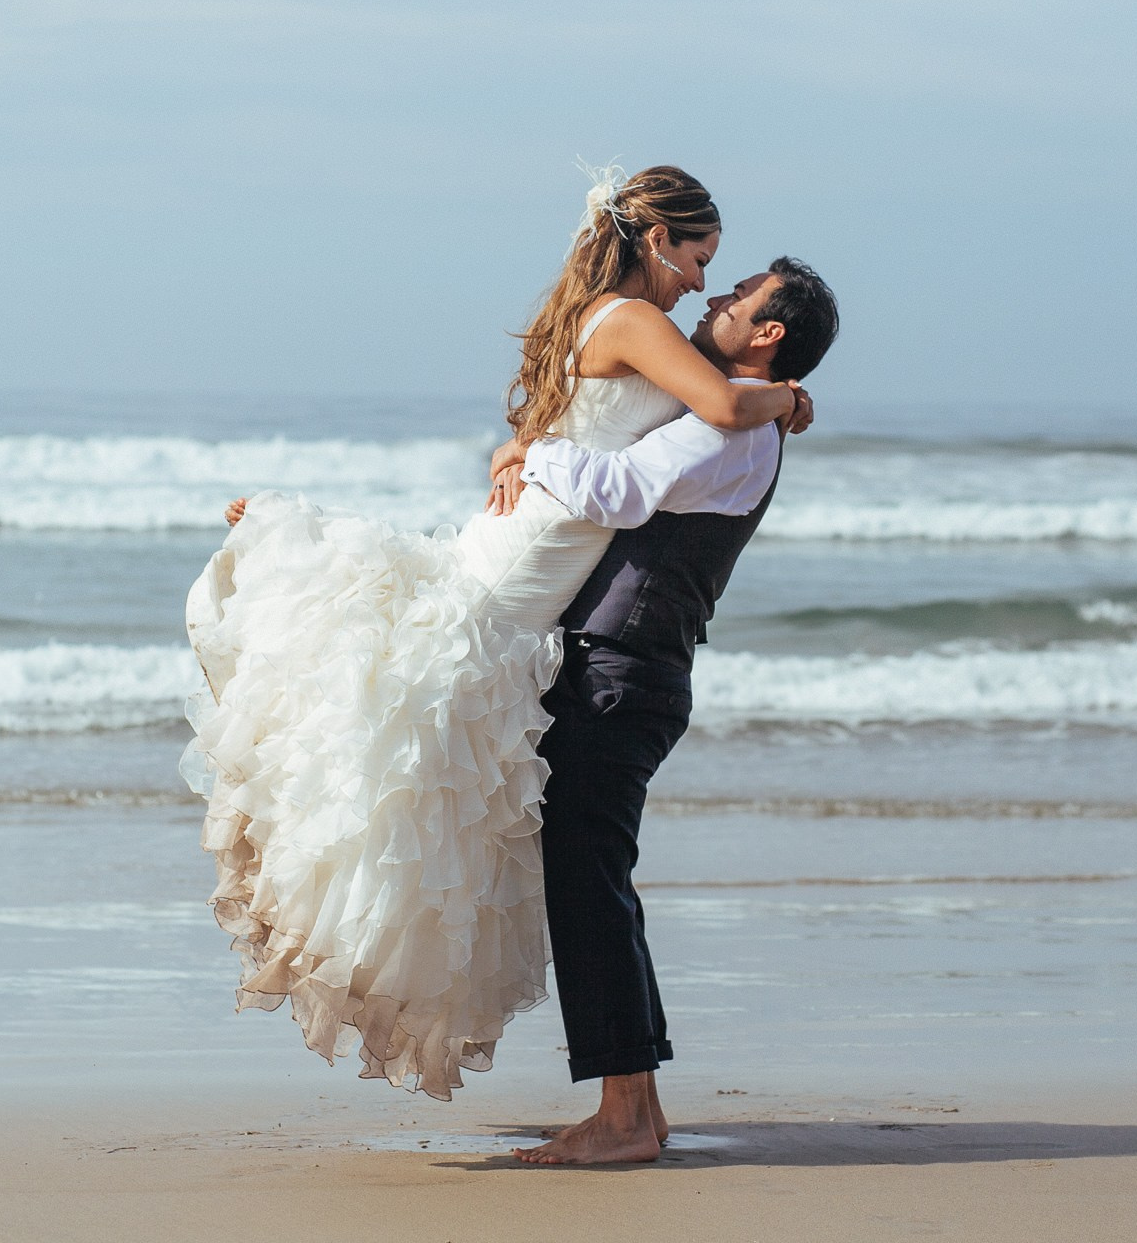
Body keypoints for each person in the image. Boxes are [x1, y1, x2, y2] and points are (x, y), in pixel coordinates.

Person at [183, 166, 812, 1100]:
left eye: (721, 274)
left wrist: (527, 445)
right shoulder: (638, 324)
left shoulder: (629, 324)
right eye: (698, 257)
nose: (702, 284)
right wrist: (789, 399)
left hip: (542, 572)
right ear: (655, 240)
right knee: (408, 764)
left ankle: (620, 1096)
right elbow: (716, 408)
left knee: (433, 788)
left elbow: (640, 426)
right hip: (525, 572)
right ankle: (613, 1091)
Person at [496, 257, 841, 1165]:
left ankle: (622, 1120)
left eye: (738, 296)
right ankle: (637, 1111)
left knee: (589, 890)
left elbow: (615, 491)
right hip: (630, 671)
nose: (715, 297)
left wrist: (530, 450)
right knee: (600, 885)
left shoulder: (727, 431)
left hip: (621, 675)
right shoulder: (743, 420)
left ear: (766, 333)